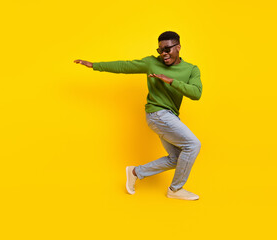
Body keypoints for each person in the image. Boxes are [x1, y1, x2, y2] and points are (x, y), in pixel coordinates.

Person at [74, 31, 202, 200]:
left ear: (178, 47)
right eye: (160, 50)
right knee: (193, 145)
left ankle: (135, 172)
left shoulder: (191, 69)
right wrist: (95, 65)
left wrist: (171, 81)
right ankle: (176, 190)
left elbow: (196, 93)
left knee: (176, 158)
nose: (163, 53)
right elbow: (124, 66)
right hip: (158, 114)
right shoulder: (152, 63)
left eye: (167, 49)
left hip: (170, 117)